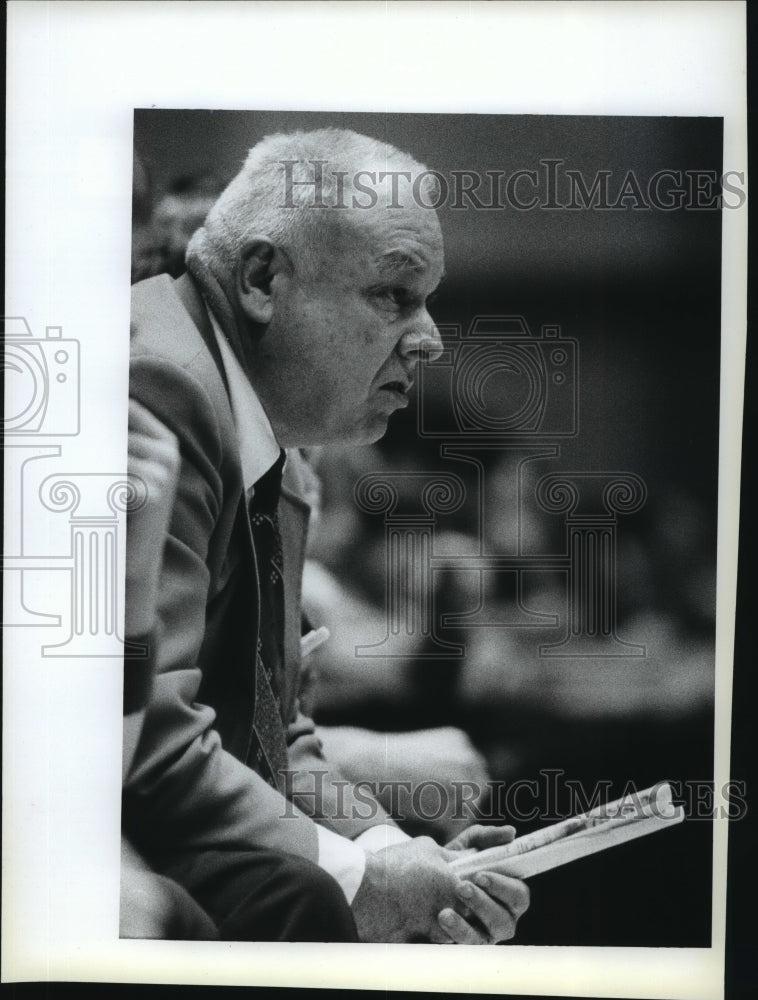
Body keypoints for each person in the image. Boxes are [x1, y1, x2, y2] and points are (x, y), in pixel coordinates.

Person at [124, 127, 530, 943]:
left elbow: (278, 728)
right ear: (264, 279)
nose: (430, 338)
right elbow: (148, 739)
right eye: (394, 295)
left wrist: (388, 847)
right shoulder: (161, 383)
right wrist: (361, 878)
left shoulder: (280, 450)